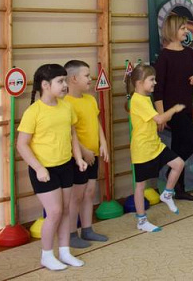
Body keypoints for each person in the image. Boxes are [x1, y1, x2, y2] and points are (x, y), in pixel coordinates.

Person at [16, 64, 87, 271]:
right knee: (54, 211)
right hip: (44, 170)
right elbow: (21, 144)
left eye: (65, 80)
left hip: (65, 166)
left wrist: (79, 157)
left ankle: (64, 252)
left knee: (65, 210)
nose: (65, 85)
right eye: (60, 81)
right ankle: (46, 255)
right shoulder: (33, 112)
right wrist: (38, 168)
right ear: (45, 85)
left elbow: (72, 134)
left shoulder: (66, 107)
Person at [126, 63, 185, 232]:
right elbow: (159, 119)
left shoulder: (145, 98)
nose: (155, 83)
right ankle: (141, 220)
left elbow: (155, 120)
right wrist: (174, 109)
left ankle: (167, 193)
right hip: (143, 149)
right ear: (139, 83)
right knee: (140, 186)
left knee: (178, 163)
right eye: (151, 79)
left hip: (155, 145)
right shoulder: (137, 100)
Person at [153, 13, 193, 201]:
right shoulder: (164, 57)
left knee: (179, 144)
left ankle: (179, 188)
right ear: (173, 30)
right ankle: (172, 168)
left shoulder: (189, 52)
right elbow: (158, 89)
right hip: (172, 111)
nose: (186, 31)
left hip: (187, 107)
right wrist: (162, 115)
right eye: (183, 28)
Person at [63, 60, 109, 249]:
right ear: (74, 78)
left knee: (90, 192)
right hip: (78, 158)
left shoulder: (90, 99)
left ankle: (87, 229)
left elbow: (96, 122)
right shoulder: (66, 103)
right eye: (87, 76)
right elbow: (69, 133)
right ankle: (71, 233)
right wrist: (83, 152)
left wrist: (103, 143)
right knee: (77, 196)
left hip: (93, 154)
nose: (90, 79)